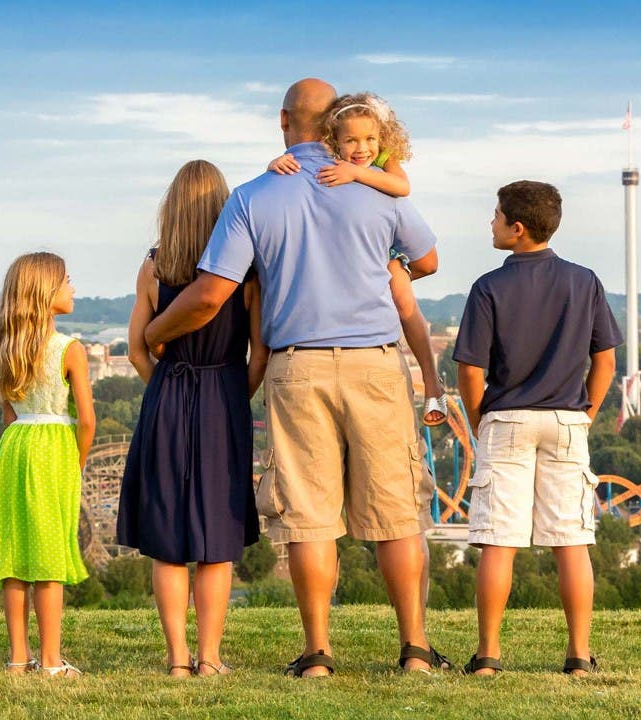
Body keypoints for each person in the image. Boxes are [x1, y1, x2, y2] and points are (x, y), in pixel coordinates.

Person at [145, 78, 446, 677]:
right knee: (394, 511)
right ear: (336, 122)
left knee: (309, 516)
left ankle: (317, 652)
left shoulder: (257, 195)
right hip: (376, 364)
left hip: (297, 365)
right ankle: (413, 648)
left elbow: (211, 295)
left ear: (284, 120)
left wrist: (155, 335)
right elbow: (429, 261)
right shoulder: (376, 188)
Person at [454, 181, 621, 677]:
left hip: (507, 418)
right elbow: (606, 360)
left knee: (498, 540)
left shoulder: (489, 287)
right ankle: (578, 655)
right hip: (568, 419)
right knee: (571, 541)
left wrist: (481, 418)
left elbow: (469, 370)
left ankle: (487, 655)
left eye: (497, 216)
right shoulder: (584, 281)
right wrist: (585, 415)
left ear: (518, 229)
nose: (491, 223)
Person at [116, 160, 264, 678]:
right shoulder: (246, 270)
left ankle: (177, 660)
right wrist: (231, 394)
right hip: (223, 394)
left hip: (168, 394)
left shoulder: (153, 267)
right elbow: (260, 354)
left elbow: (137, 351)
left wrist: (165, 387)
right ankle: (210, 657)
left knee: (169, 538)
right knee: (216, 541)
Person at [268, 91, 446, 425]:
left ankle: (432, 381)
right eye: (351, 141)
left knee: (404, 301)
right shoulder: (333, 161)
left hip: (386, 252)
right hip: (364, 252)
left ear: (383, 137)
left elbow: (401, 186)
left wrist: (356, 174)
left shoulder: (380, 159)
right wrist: (275, 163)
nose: (362, 148)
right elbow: (430, 261)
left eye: (369, 139)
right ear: (332, 140)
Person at [0, 251, 95, 678]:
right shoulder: (70, 349)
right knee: (48, 558)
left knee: (15, 556)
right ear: (47, 294)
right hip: (52, 449)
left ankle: (17, 657)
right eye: (67, 280)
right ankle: (50, 660)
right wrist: (77, 461)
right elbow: (87, 419)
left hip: (14, 448)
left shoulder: (8, 349)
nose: (73, 286)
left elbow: (8, 415)